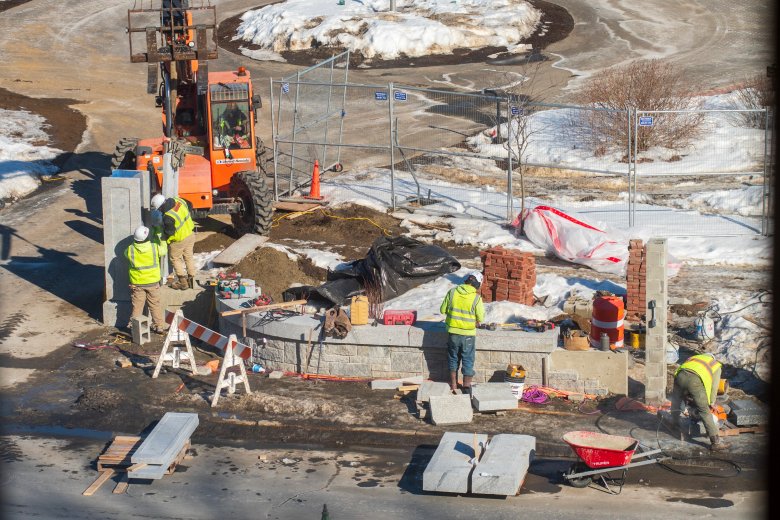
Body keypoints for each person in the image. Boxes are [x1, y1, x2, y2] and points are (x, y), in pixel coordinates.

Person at [668, 353, 730, 452]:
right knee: (704, 411)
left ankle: (674, 422)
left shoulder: (694, 358)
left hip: (679, 376)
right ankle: (716, 443)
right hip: (694, 380)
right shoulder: (715, 365)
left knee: (676, 400)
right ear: (712, 358)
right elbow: (714, 386)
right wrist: (711, 402)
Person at [440, 271, 485, 394]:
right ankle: (466, 387)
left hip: (453, 333)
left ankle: (453, 385)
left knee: (453, 357)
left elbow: (442, 309)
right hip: (468, 335)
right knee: (468, 359)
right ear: (477, 284)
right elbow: (481, 317)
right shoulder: (476, 298)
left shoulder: (452, 292)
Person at [126, 225, 168, 335]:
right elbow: (163, 251)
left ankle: (133, 326)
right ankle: (159, 326)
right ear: (146, 237)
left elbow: (126, 255)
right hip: (153, 282)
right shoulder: (154, 247)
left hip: (137, 283)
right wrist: (160, 238)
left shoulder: (130, 250)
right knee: (154, 305)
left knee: (137, 306)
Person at [151, 193, 195, 290]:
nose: (159, 211)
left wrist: (162, 235)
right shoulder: (178, 200)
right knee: (188, 257)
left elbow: (169, 232)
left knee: (175, 259)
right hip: (190, 234)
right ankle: (192, 280)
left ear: (161, 206)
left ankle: (183, 282)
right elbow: (190, 204)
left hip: (178, 240)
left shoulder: (168, 217)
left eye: (158, 209)